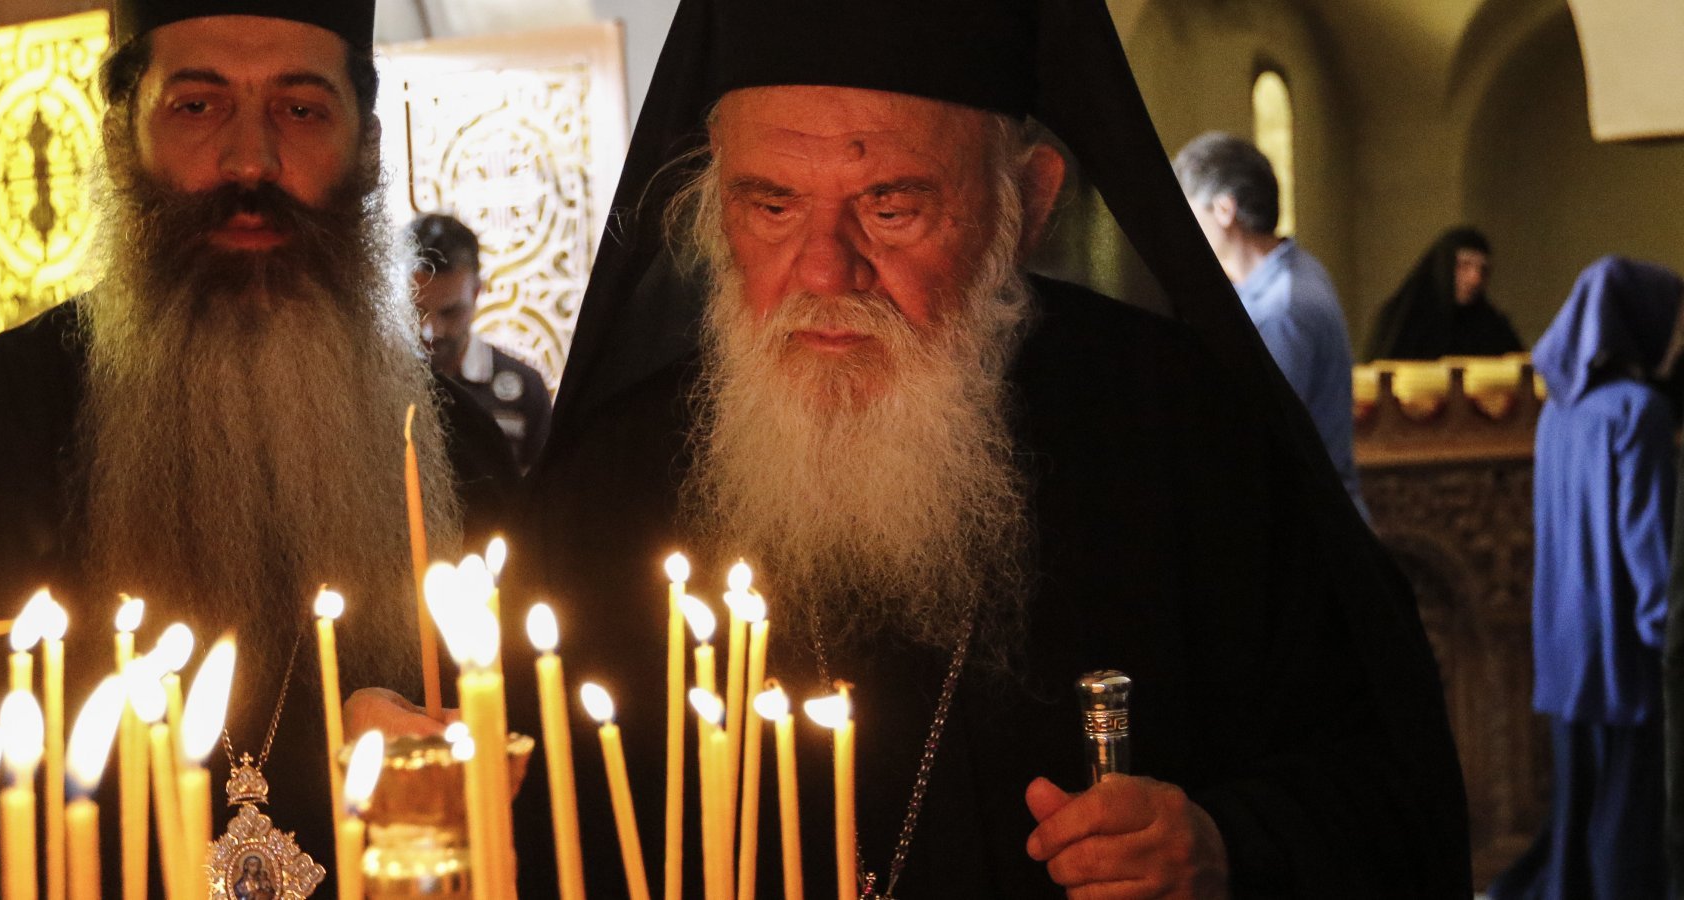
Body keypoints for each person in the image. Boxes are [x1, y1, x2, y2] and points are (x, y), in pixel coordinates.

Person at [500, 0, 1470, 897]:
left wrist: (1223, 845)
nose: (826, 270)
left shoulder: (1187, 434)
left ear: (1029, 202)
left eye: (890, 206)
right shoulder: (606, 491)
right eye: (773, 205)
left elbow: (1387, 789)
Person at [0, 0, 516, 894]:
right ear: (121, 137)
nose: (250, 159)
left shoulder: (462, 462)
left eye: (300, 108)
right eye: (197, 105)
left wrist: (447, 818)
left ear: (367, 146)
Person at [1490, 257, 1679, 900]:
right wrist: (1667, 640)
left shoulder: (1560, 412)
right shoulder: (1640, 412)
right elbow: (1647, 544)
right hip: (1623, 650)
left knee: (1577, 817)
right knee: (1627, 826)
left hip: (1565, 644)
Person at [1174, 132, 1366, 518]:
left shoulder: (1282, 308)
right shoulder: (1296, 268)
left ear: (1224, 210)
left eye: (1190, 210)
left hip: (1304, 522)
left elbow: (1257, 439)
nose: (1184, 229)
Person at [407, 212, 553, 470]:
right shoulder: (379, 383)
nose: (431, 331)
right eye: (417, 310)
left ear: (476, 293)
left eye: (450, 312)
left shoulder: (525, 391)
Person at [1365, 226, 1525, 360]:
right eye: (1464, 266)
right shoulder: (1402, 321)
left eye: (1483, 269)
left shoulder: (1493, 328)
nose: (1475, 279)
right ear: (1444, 266)